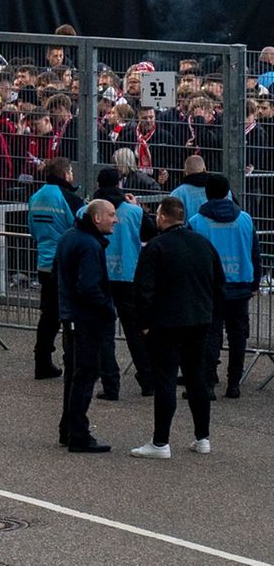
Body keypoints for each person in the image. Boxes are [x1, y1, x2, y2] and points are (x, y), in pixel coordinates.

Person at [130, 197, 223, 459]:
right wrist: (211, 315)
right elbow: (218, 283)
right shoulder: (203, 244)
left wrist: (143, 324)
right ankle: (202, 437)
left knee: (166, 380)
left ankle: (161, 442)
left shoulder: (156, 247)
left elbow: (143, 289)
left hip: (167, 322)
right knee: (196, 378)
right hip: (200, 320)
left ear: (162, 217)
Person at [187, 174, 261, 400]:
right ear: (228, 192)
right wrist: (255, 282)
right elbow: (254, 253)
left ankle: (208, 383)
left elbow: (191, 258)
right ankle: (234, 384)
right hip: (240, 285)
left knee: (210, 335)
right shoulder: (245, 219)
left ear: (207, 193)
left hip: (210, 287)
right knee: (238, 336)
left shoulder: (196, 222)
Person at [54, 199, 118, 454]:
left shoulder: (70, 237)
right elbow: (88, 286)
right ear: (97, 218)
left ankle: (68, 428)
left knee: (74, 373)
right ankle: (78, 433)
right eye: (111, 215)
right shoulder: (89, 244)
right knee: (84, 374)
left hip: (71, 315)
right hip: (85, 319)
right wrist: (107, 309)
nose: (115, 219)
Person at [88, 168, 156, 399]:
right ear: (120, 184)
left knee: (104, 332)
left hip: (100, 276)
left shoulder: (89, 211)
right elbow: (150, 233)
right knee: (136, 331)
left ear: (98, 184)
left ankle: (110, 384)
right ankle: (148, 379)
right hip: (129, 274)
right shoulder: (133, 211)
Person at [28, 156, 81, 380]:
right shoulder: (69, 198)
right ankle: (73, 362)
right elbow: (80, 228)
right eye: (71, 172)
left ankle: (42, 361)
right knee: (71, 315)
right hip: (66, 264)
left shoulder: (35, 197)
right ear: (66, 174)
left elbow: (32, 229)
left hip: (44, 263)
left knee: (49, 315)